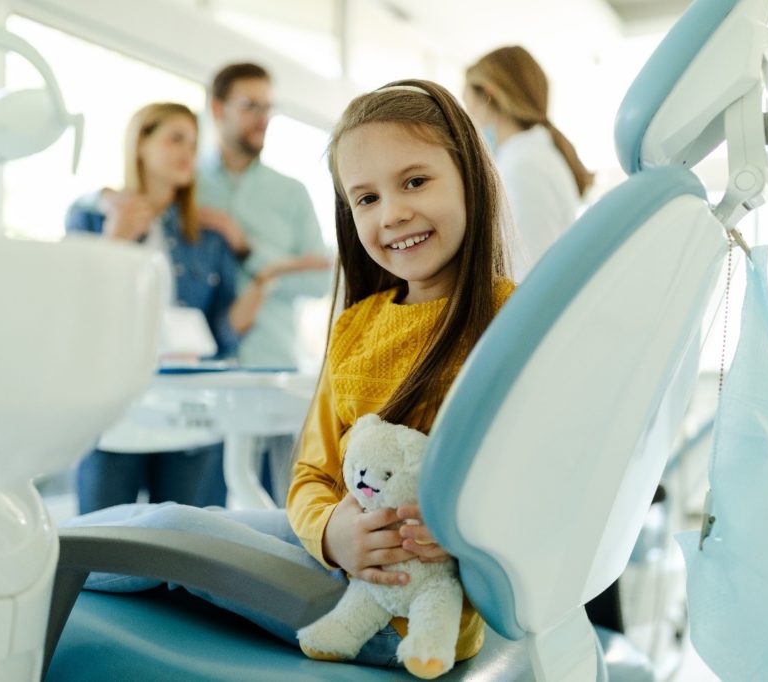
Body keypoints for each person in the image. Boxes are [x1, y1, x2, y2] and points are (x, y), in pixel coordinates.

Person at [65, 78, 515, 669]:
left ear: (470, 177)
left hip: (390, 615)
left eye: (415, 181)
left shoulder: (510, 319)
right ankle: (41, 554)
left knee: (173, 528)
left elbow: (530, 480)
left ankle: (35, 563)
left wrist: (462, 533)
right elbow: (311, 474)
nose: (394, 213)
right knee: (199, 520)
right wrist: (332, 533)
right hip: (338, 556)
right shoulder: (356, 326)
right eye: (366, 199)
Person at [66, 102, 299, 513]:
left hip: (193, 413)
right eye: (175, 139)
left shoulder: (206, 237)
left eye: (193, 143)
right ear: (141, 143)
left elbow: (219, 334)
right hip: (115, 411)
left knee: (186, 554)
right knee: (99, 553)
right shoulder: (92, 215)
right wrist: (115, 239)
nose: (187, 153)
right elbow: (74, 310)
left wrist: (259, 287)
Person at [197, 62, 332, 369]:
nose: (263, 120)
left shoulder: (292, 192)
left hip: (272, 365)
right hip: (196, 367)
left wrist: (248, 251)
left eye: (268, 108)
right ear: (218, 109)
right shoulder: (186, 187)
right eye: (250, 107)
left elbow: (320, 281)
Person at [463, 45, 594, 279]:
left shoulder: (524, 166)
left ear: (489, 95)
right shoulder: (527, 156)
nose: (471, 121)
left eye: (469, 105)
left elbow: (530, 271)